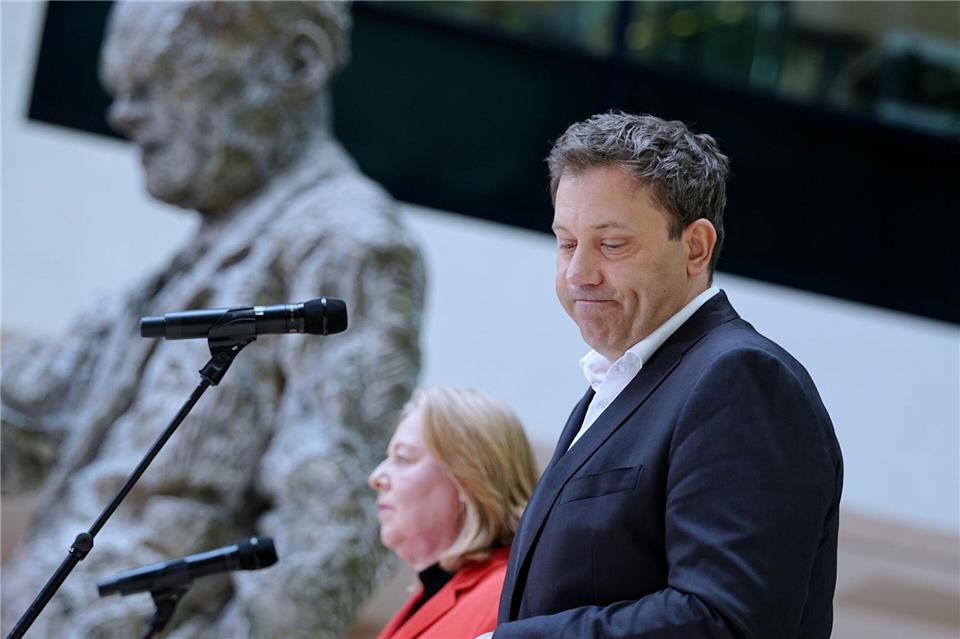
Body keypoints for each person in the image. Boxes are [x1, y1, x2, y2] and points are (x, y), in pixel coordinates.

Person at [1, 3, 424, 638]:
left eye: (160, 80)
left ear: (296, 62)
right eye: (123, 89)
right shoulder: (208, 247)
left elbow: (328, 532)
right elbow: (39, 409)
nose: (124, 113)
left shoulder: (347, 243)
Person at [490, 112, 843, 639]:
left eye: (612, 244)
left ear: (695, 248)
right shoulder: (629, 378)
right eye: (566, 243)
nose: (578, 273)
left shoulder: (742, 381)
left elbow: (724, 621)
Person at [369, 386, 539, 639]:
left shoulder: (507, 601)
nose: (376, 477)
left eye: (402, 458)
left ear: (468, 479)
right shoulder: (427, 597)